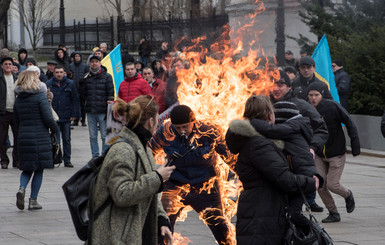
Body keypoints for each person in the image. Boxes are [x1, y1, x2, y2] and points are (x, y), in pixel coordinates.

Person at [225, 95, 318, 245]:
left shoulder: (254, 141)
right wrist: (310, 182)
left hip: (260, 209)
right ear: (269, 115)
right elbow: (284, 179)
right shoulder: (259, 145)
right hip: (262, 213)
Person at [89, 95, 175, 245]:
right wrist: (158, 177)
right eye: (157, 120)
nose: (158, 125)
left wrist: (161, 219)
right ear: (150, 122)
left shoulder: (144, 147)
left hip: (139, 230)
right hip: (117, 235)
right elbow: (121, 194)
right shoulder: (123, 150)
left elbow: (150, 192)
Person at [149, 105, 235, 245]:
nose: (182, 131)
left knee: (220, 228)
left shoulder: (208, 131)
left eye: (185, 126)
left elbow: (228, 156)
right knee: (162, 225)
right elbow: (149, 150)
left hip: (206, 185)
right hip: (175, 184)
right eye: (178, 127)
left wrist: (246, 176)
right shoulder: (166, 131)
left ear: (193, 122)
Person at [249, 100, 324, 235]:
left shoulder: (290, 129)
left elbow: (270, 130)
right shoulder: (292, 129)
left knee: (293, 213)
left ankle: (316, 234)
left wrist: (252, 121)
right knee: (287, 214)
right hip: (297, 178)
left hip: (303, 179)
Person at [271, 70, 328, 212]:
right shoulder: (264, 104)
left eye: (280, 85)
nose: (276, 88)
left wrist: (312, 148)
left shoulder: (301, 105)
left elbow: (321, 129)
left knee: (293, 208)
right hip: (272, 159)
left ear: (289, 87)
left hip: (295, 159)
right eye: (273, 84)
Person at [308, 81, 360, 223]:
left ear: (322, 95)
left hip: (336, 152)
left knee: (332, 185)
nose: (313, 98)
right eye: (311, 95)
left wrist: (355, 145)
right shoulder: (307, 109)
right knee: (320, 185)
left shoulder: (333, 106)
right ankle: (333, 213)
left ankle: (348, 195)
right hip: (319, 154)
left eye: (316, 95)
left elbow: (349, 122)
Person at [14, 70, 58, 210]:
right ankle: (33, 200)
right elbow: (48, 118)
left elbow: (16, 121)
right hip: (40, 137)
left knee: (26, 168)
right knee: (39, 169)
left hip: (23, 137)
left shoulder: (18, 99)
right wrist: (55, 129)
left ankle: (21, 188)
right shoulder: (40, 97)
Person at [79, 55, 114, 158]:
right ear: (90, 64)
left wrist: (110, 103)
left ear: (100, 63)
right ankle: (95, 156)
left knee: (104, 135)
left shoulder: (107, 76)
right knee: (93, 136)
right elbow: (82, 94)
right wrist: (81, 84)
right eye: (92, 62)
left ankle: (104, 156)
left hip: (103, 111)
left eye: (96, 61)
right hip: (90, 111)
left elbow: (110, 92)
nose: (94, 63)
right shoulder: (86, 77)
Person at [46, 66, 79, 168]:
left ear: (64, 73)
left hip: (66, 115)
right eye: (57, 72)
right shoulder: (48, 84)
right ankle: (54, 158)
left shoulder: (70, 83)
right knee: (55, 139)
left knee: (67, 139)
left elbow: (75, 99)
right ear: (54, 73)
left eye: (61, 72)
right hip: (54, 116)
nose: (59, 74)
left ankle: (67, 159)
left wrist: (74, 114)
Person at [0, 57, 19, 169]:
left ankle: (16, 160)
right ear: (2, 66)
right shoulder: (1, 78)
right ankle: (4, 160)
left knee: (18, 137)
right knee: (2, 138)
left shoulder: (17, 78)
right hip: (3, 112)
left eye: (10, 64)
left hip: (15, 112)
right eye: (5, 64)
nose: (8, 66)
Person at [69, 51, 89, 126]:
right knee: (75, 104)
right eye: (76, 56)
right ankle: (76, 119)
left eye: (78, 56)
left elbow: (87, 75)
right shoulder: (71, 66)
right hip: (74, 88)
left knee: (83, 105)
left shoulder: (85, 66)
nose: (77, 58)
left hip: (82, 88)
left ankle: (83, 120)